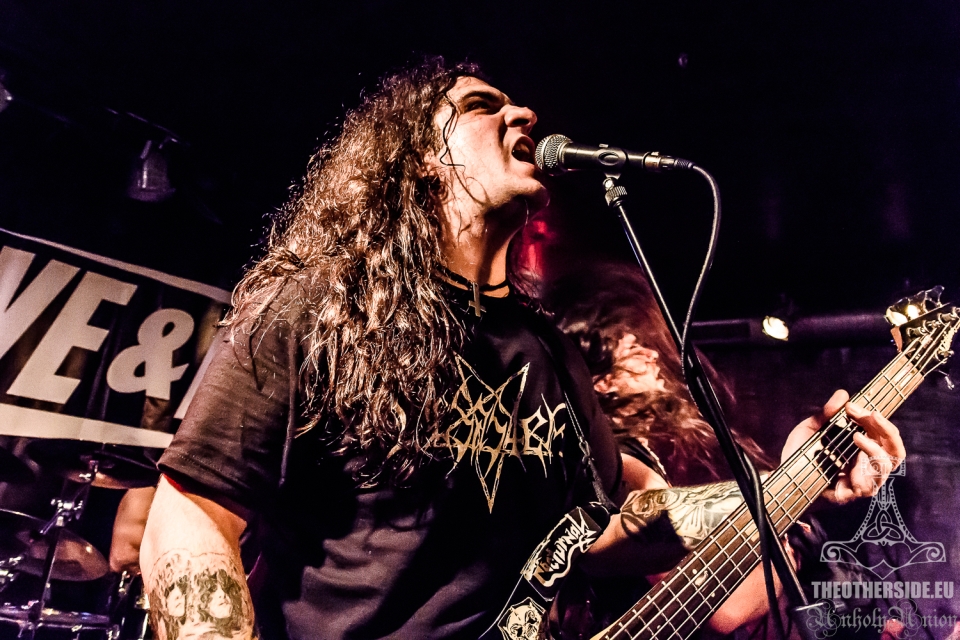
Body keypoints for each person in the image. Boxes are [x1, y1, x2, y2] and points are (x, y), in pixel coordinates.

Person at [140, 57, 905, 640]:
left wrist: (795, 480)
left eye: (515, 104)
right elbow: (193, 512)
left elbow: (609, 527)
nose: (524, 114)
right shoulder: (321, 309)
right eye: (482, 106)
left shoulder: (551, 355)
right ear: (419, 159)